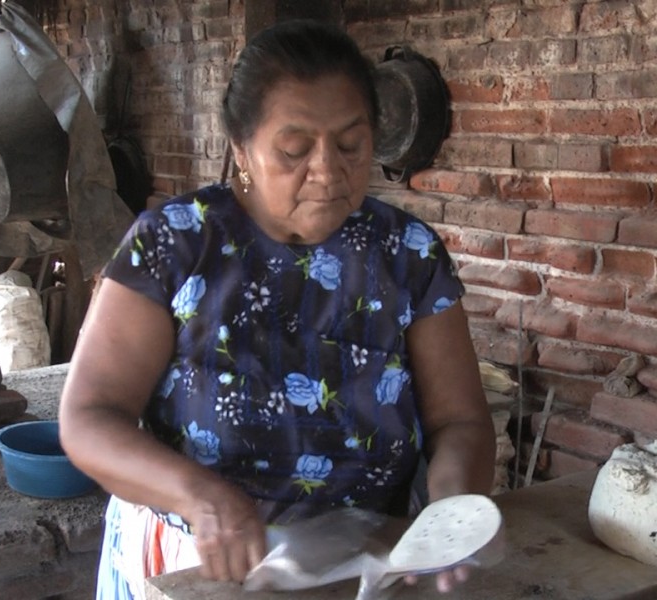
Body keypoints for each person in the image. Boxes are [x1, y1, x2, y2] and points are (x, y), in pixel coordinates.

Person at [59, 19, 496, 600]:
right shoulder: (175, 244)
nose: (327, 170)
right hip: (201, 567)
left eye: (350, 144)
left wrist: (452, 513)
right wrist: (200, 495)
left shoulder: (407, 253)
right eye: (294, 150)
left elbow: (459, 422)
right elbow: (89, 417)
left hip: (376, 562)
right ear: (241, 149)